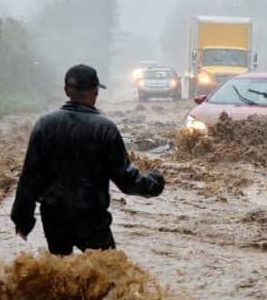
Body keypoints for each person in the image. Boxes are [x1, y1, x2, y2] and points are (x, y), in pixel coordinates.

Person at [11, 64, 165, 255]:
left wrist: (22, 221)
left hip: (54, 217)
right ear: (95, 92)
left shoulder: (44, 125)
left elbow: (29, 177)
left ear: (66, 90)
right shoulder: (105, 128)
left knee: (60, 273)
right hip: (91, 218)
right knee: (105, 274)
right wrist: (155, 182)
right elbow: (126, 180)